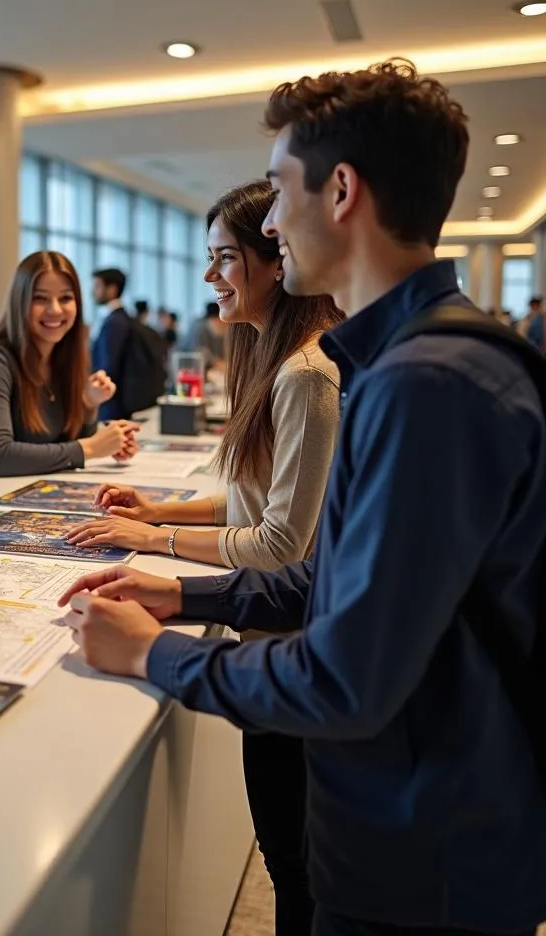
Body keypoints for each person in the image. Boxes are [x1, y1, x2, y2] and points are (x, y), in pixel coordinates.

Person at [60, 60, 546, 936]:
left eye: (281, 191)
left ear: (343, 191)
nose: (273, 221)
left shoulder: (429, 385)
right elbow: (332, 584)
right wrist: (180, 593)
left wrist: (151, 657)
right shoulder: (406, 367)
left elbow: (342, 678)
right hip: (409, 828)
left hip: (423, 859)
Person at [66, 180, 342, 936]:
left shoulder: (307, 375)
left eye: (225, 257)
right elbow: (244, 496)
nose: (211, 276)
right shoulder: (268, 356)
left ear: (273, 261)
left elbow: (284, 542)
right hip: (270, 642)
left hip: (288, 650)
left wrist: (156, 544)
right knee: (288, 850)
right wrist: (158, 510)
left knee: (295, 862)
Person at [0, 251, 138, 491]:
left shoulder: (63, 360)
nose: (55, 310)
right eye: (40, 298)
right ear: (20, 303)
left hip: (28, 496)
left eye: (66, 298)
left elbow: (66, 445)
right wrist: (91, 448)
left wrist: (89, 405)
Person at [91, 267, 133, 420]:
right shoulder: (117, 318)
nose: (93, 292)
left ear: (112, 289)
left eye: (97, 286)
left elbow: (108, 366)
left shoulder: (115, 322)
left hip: (111, 403)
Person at [184, 300, 229, 369]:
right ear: (214, 319)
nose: (225, 326)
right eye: (224, 323)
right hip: (185, 368)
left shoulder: (213, 330)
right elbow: (201, 354)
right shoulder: (199, 329)